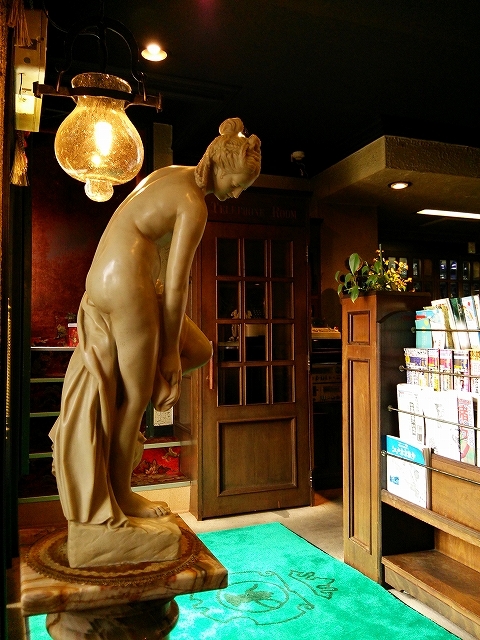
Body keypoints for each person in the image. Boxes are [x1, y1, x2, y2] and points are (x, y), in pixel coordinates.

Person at [49, 118, 261, 566]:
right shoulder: (194, 205)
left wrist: (170, 354)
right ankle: (120, 493)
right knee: (134, 397)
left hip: (107, 278)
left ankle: (120, 472)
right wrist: (167, 357)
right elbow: (178, 283)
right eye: (238, 184)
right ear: (221, 167)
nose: (238, 194)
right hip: (128, 283)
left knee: (197, 350)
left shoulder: (173, 175)